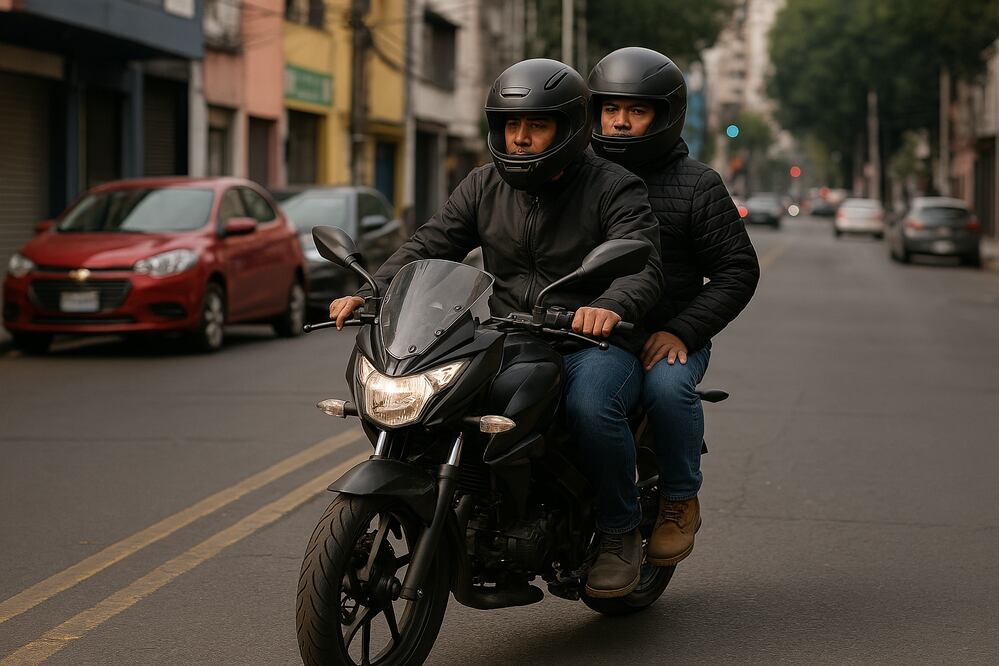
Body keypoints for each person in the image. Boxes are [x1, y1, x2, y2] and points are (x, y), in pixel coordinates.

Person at [329, 58, 662, 598]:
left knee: (589, 406)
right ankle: (477, 508)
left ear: (569, 129)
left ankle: (618, 533)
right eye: (512, 125)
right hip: (511, 333)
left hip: (591, 340)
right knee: (436, 395)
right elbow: (429, 244)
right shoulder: (483, 184)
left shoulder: (613, 186)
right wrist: (371, 291)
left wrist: (609, 304)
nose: (522, 138)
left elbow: (643, 262)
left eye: (536, 125)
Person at [587, 47, 760, 566]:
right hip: (593, 333)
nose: (619, 123)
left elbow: (737, 271)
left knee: (666, 389)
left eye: (635, 112)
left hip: (669, 333)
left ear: (663, 116)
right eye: (610, 110)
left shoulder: (697, 185)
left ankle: (679, 499)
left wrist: (684, 331)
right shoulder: (578, 177)